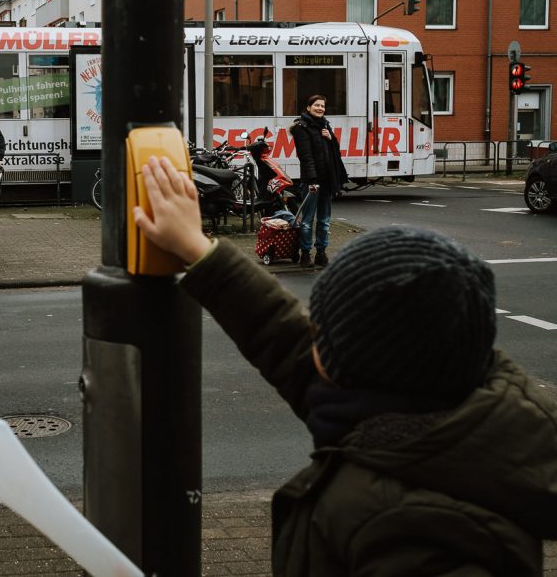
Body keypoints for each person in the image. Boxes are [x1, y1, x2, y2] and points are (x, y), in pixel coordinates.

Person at [132, 155, 557, 576]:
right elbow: (279, 333)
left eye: (322, 329)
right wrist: (198, 249)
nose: (310, 335)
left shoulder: (420, 531)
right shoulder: (438, 411)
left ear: (352, 366)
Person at [290, 95, 347, 268]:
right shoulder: (301, 127)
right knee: (307, 220)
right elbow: (305, 157)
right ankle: (305, 254)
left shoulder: (325, 125)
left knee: (324, 220)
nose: (320, 108)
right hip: (312, 182)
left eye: (322, 106)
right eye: (316, 105)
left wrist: (331, 138)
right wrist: (313, 180)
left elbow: (335, 151)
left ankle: (321, 253)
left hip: (327, 180)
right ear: (308, 107)